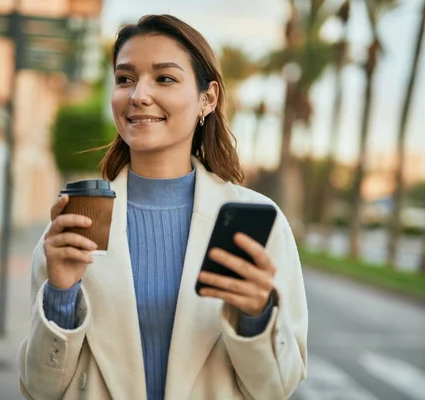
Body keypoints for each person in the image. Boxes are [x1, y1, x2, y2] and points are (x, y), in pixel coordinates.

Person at [18, 14, 308, 400]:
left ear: (208, 98)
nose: (138, 95)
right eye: (124, 78)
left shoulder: (260, 222)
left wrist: (256, 316)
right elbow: (38, 389)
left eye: (165, 78)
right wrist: (60, 296)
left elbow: (278, 388)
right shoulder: (77, 220)